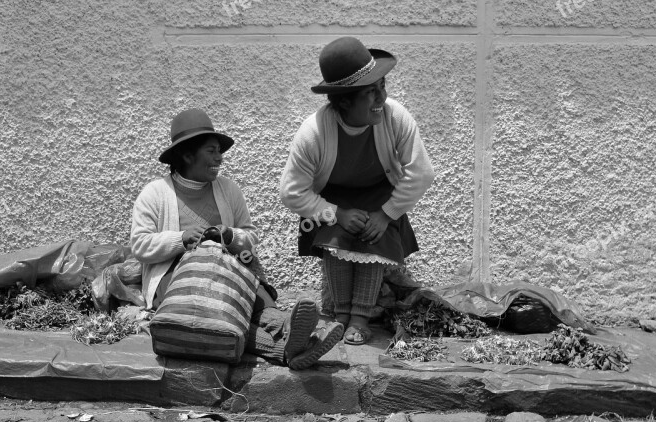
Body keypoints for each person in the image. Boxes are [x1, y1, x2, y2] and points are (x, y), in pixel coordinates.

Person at [132, 108, 342, 369]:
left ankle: (289, 329)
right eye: (211, 151)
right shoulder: (155, 194)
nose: (220, 158)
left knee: (255, 300)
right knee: (220, 313)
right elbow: (140, 244)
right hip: (178, 281)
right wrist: (181, 239)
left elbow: (250, 237)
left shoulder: (229, 190)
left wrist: (230, 235)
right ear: (187, 155)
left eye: (219, 151)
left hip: (230, 272)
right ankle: (290, 347)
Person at [280, 37, 436, 345]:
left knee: (373, 238)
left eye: (383, 85)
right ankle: (339, 317)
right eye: (370, 92)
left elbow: (421, 173)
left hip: (380, 199)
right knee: (338, 240)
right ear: (345, 101)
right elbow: (292, 191)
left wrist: (385, 215)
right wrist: (336, 214)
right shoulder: (313, 132)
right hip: (334, 200)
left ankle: (359, 319)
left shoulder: (395, 117)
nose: (382, 96)